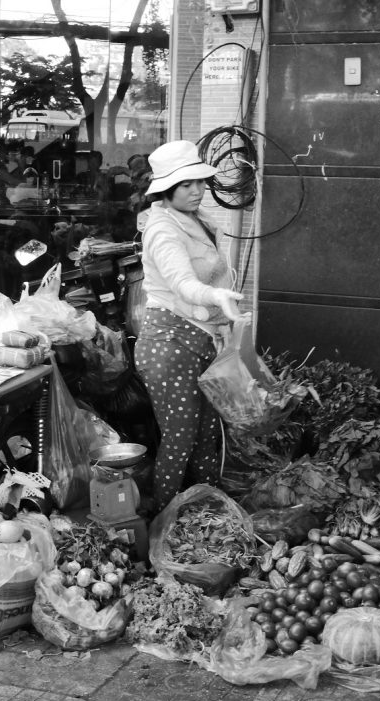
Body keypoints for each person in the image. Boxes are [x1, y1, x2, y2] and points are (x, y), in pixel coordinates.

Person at [134, 140, 247, 517]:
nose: (196, 190)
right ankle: (162, 521)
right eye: (186, 184)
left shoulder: (195, 219)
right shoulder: (162, 229)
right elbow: (183, 283)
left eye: (199, 181)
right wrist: (216, 297)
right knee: (180, 438)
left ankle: (210, 512)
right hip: (169, 345)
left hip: (199, 341)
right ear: (167, 188)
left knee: (207, 434)